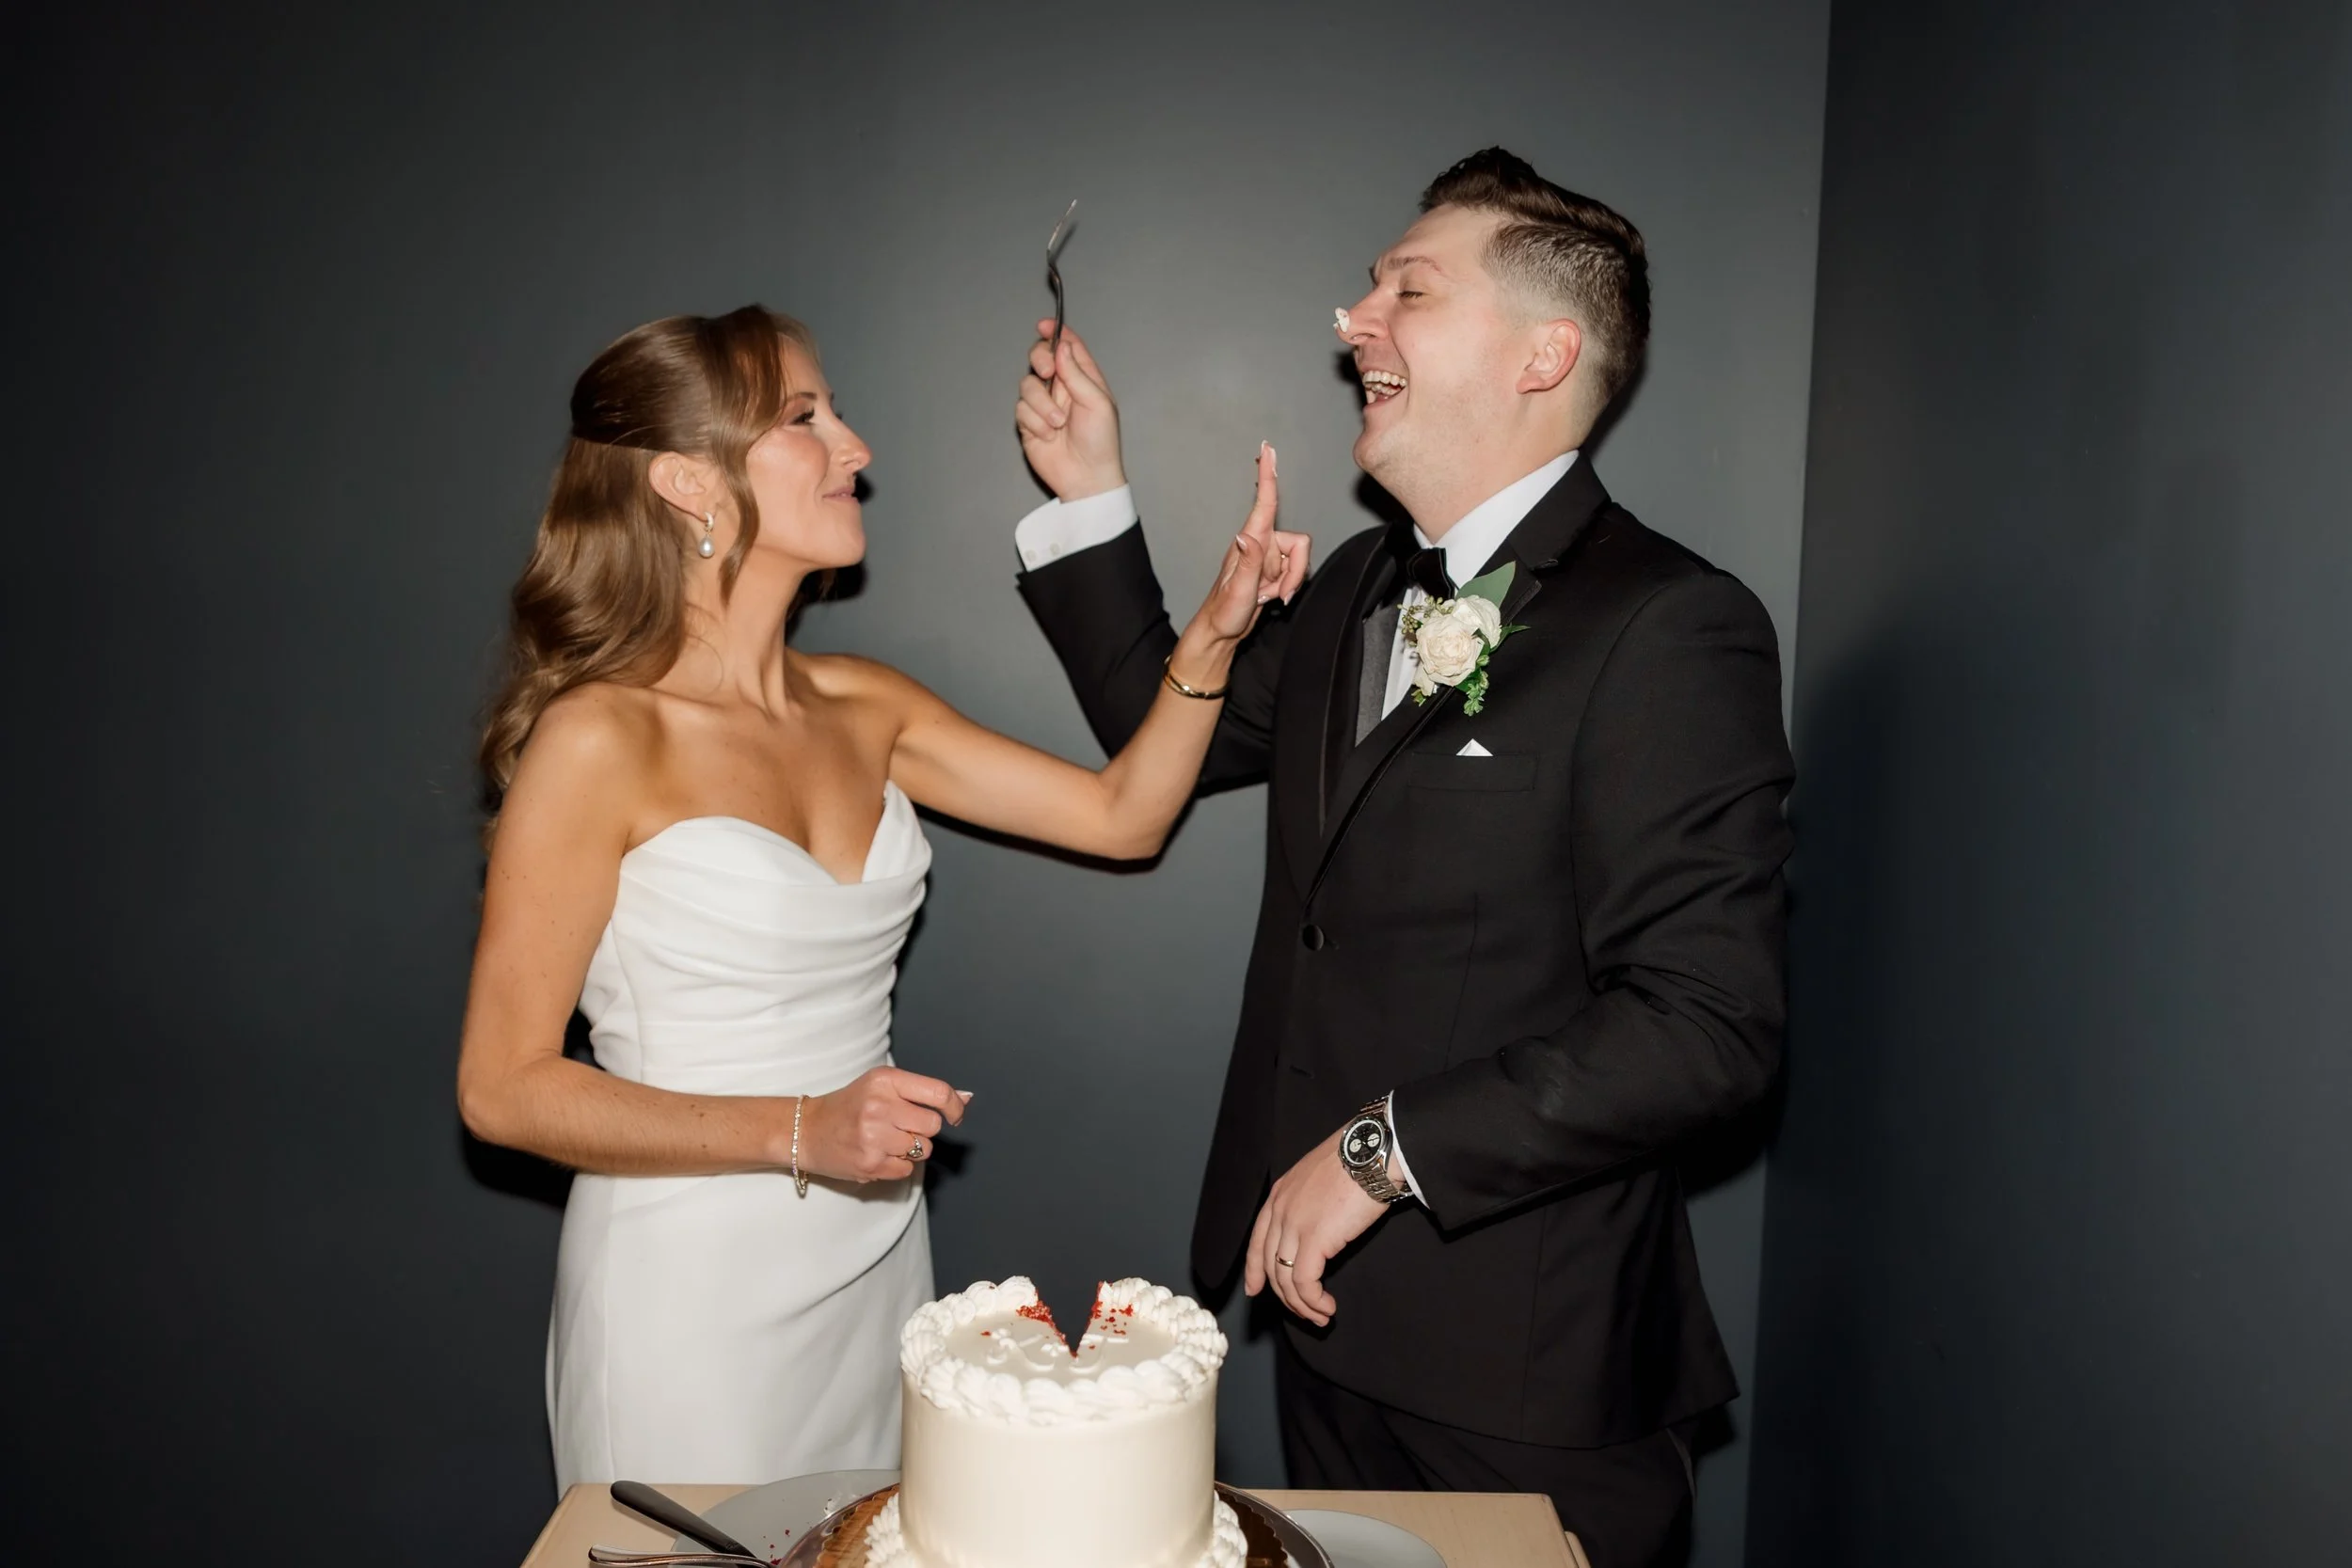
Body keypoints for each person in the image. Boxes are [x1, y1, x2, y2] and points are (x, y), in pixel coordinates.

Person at [1009, 150, 1794, 1565]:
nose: (1352, 318)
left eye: (1407, 290)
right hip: (1323, 1331)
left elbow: (1707, 1026)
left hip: (1532, 1372)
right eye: (1368, 286)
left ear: (1543, 355)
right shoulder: (1354, 591)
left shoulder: (1671, 624)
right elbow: (1157, 732)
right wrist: (1089, 493)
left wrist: (1382, 1154)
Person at [455, 306, 1304, 1490]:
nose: (855, 448)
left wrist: (1212, 637)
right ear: (687, 482)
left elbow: (1124, 815)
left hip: (875, 1262)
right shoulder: (599, 737)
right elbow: (501, 1089)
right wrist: (804, 1129)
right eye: (803, 418)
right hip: (685, 1288)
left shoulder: (865, 703)